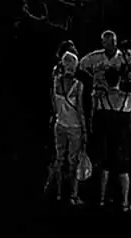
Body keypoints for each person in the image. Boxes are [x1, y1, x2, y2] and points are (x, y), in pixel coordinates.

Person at [90, 66, 131, 211]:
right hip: (123, 139)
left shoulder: (102, 98)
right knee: (124, 171)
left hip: (107, 139)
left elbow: (96, 116)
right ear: (120, 80)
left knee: (105, 168)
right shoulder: (128, 97)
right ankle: (124, 203)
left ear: (106, 80)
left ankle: (102, 200)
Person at [48, 49, 87, 204]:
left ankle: (58, 193)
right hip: (74, 126)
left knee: (59, 159)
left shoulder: (55, 82)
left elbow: (54, 105)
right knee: (73, 161)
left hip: (60, 124)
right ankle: (73, 195)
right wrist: (85, 130)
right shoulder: (78, 85)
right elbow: (80, 110)